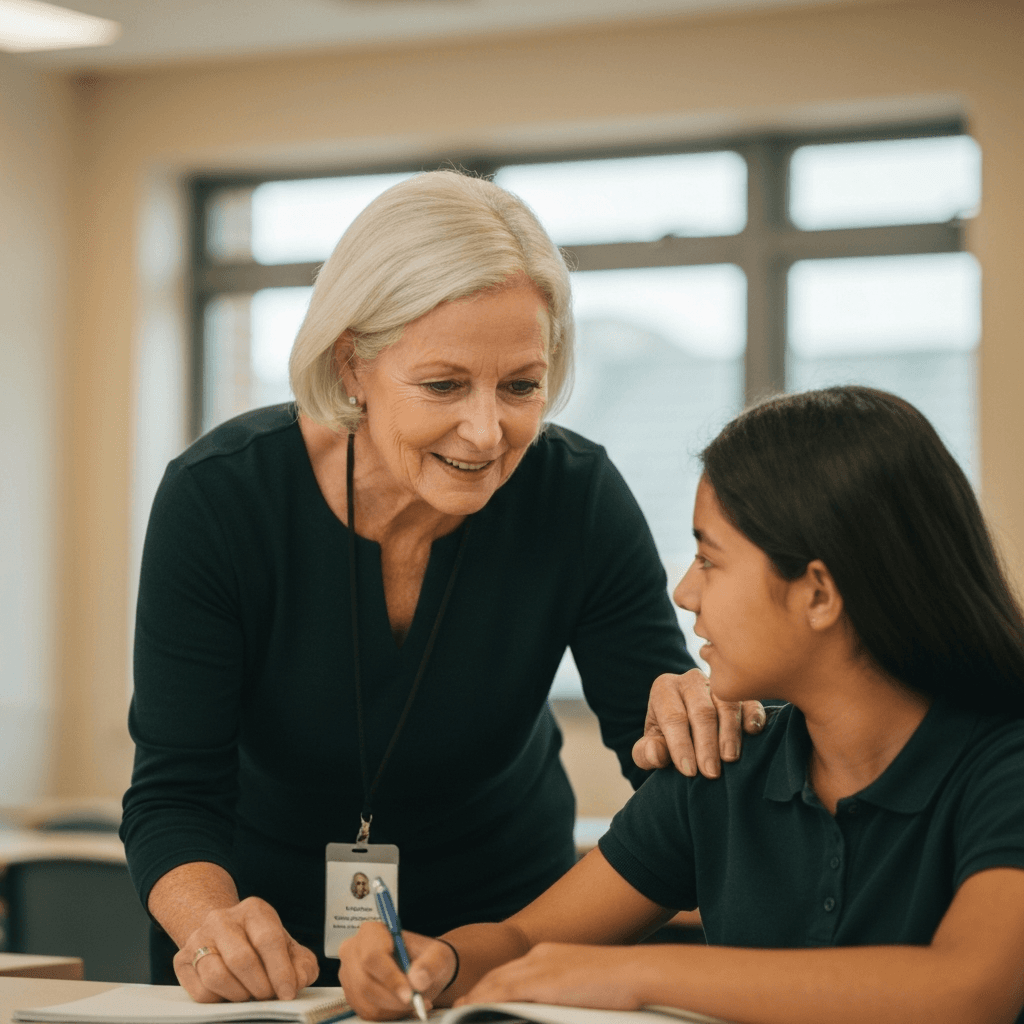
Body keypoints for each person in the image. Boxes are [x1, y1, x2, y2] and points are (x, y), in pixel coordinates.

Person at [120, 169, 766, 1003]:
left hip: (504, 936)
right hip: (267, 946)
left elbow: (656, 752)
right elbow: (174, 792)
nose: (487, 432)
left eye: (521, 386)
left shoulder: (574, 496)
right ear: (352, 364)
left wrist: (691, 716)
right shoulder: (220, 497)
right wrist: (211, 923)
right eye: (443, 385)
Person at [339, 386, 1024, 1024]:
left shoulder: (1005, 764)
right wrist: (438, 962)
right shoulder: (725, 764)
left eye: (710, 560)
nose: (685, 593)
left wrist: (638, 975)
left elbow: (970, 987)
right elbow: (526, 941)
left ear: (818, 594)